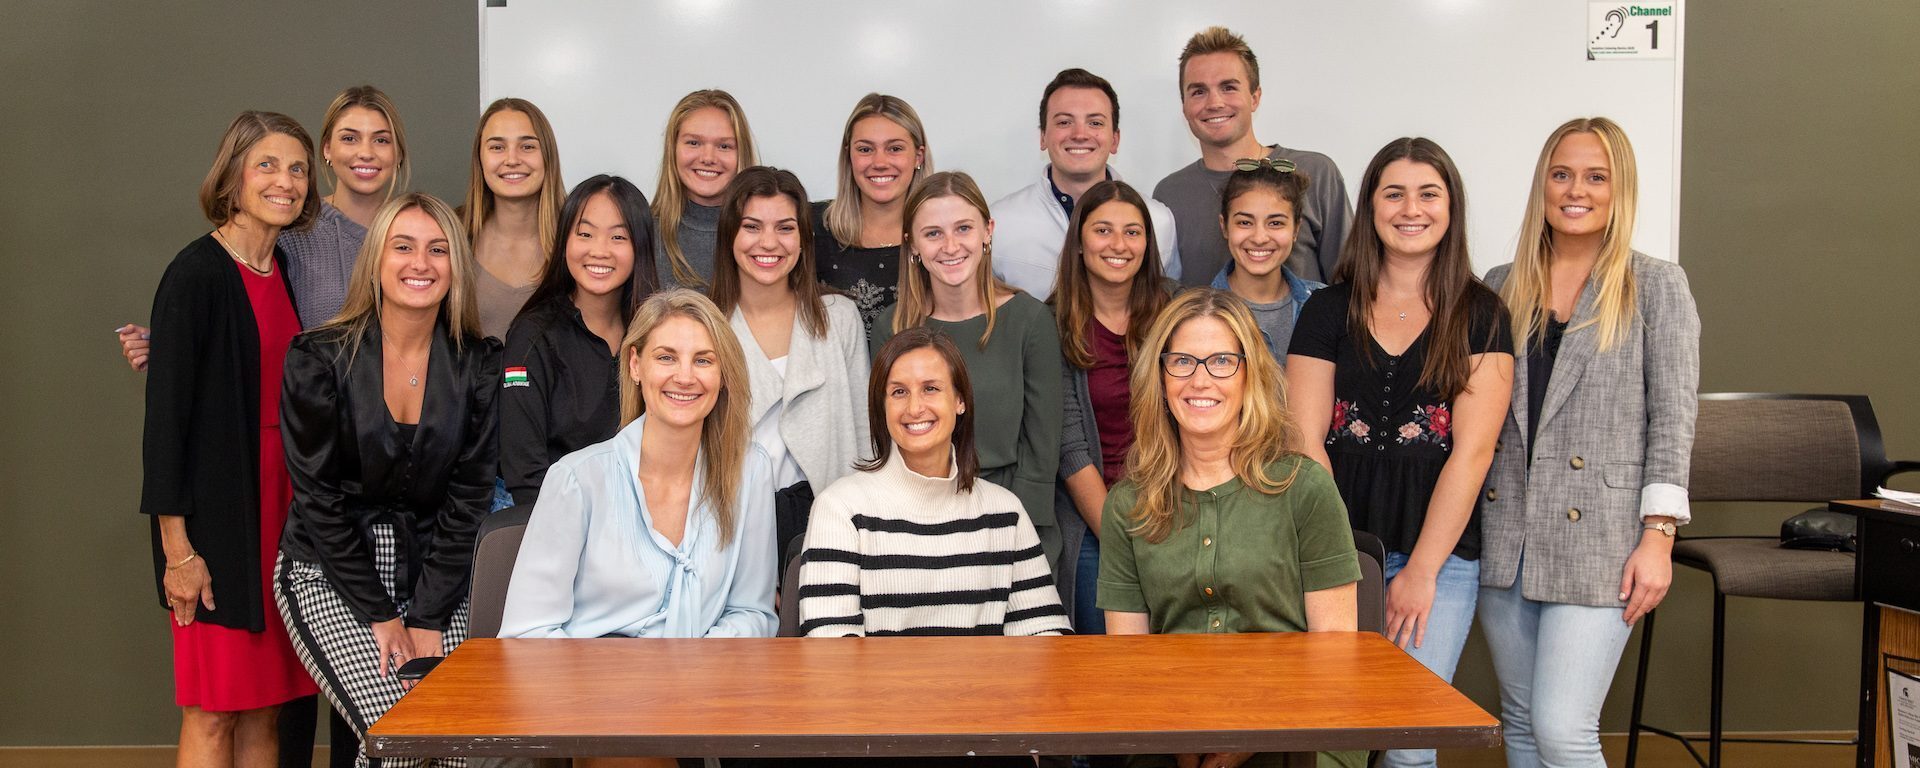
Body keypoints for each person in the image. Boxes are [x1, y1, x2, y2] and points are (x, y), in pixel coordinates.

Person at [1477, 118, 1699, 768]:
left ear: (1618, 189)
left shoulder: (1656, 286)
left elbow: (1674, 418)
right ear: (1543, 184)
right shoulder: (1499, 284)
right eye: (1562, 174)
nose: (1577, 190)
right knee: (1519, 724)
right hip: (1506, 536)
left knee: (1562, 728)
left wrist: (1659, 536)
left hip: (1602, 540)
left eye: (1596, 177)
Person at [1284, 138, 1513, 768]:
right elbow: (1306, 442)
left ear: (1450, 208)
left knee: (1407, 745)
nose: (1410, 208)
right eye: (1394, 193)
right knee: (1335, 731)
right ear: (1371, 207)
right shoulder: (1328, 309)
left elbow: (1474, 452)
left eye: (1428, 193)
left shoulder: (1483, 314)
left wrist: (1421, 573)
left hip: (1437, 556)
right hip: (1336, 547)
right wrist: (1342, 560)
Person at [276, 193, 501, 767]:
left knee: (460, 746)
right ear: (376, 259)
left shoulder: (479, 365)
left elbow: (469, 497)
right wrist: (383, 616)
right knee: (400, 739)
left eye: (437, 249)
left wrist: (426, 615)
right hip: (331, 569)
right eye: (403, 247)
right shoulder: (317, 358)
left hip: (436, 572)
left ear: (455, 267)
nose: (419, 264)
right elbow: (319, 501)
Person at [1099, 289, 1361, 768]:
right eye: (1182, 361)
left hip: (1297, 725)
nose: (1200, 379)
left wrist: (1250, 737)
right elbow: (1129, 665)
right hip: (1168, 731)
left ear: (1249, 375)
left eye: (1221, 360)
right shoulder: (1128, 505)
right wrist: (1178, 741)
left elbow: (1335, 655)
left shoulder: (1305, 488)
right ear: (1159, 376)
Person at [140, 109, 321, 768]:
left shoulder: (287, 273)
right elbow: (166, 427)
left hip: (281, 521)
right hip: (215, 524)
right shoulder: (195, 274)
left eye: (298, 168)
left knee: (265, 707)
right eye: (268, 164)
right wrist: (177, 550)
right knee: (214, 710)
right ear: (234, 176)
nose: (286, 180)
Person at [499, 289, 777, 641]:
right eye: (666, 358)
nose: (685, 377)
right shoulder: (576, 481)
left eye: (704, 360)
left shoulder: (750, 471)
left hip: (706, 686)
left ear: (723, 376)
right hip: (592, 688)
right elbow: (526, 635)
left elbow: (753, 612)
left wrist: (689, 674)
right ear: (635, 365)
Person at [799, 327, 1068, 638]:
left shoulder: (1005, 512)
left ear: (960, 400)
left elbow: (1046, 636)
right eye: (899, 392)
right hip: (877, 689)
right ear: (881, 407)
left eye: (931, 389)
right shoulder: (840, 509)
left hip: (988, 688)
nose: (915, 408)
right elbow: (829, 651)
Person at [118, 85, 412, 369]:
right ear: (326, 149)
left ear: (398, 153)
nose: (365, 152)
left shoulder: (422, 235)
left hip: (403, 414)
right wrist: (176, 341)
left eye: (381, 140)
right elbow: (247, 314)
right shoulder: (290, 230)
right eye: (349, 138)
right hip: (312, 414)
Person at [871, 172, 1066, 570]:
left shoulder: (1030, 321)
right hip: (916, 524)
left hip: (1016, 526)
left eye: (963, 228)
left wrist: (1007, 536)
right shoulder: (891, 329)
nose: (951, 246)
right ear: (911, 244)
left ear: (988, 232)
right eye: (933, 233)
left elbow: (1042, 454)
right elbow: (889, 442)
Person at [710, 167, 871, 568]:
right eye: (752, 226)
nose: (769, 242)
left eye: (785, 228)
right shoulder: (703, 325)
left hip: (831, 527)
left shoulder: (839, 319)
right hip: (732, 532)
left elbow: (866, 438)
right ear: (730, 233)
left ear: (803, 239)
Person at [1046, 179, 1174, 633]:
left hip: (1180, 509)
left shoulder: (1177, 310)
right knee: (1108, 676)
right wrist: (1128, 546)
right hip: (1096, 521)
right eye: (1103, 230)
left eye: (1133, 232)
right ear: (1079, 242)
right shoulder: (1051, 324)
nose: (1118, 244)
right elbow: (1070, 449)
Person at [499, 175, 660, 508]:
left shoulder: (655, 335)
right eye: (585, 234)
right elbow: (525, 476)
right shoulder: (533, 336)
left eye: (618, 237)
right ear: (564, 242)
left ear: (640, 246)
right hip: (553, 524)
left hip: (644, 522)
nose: (599, 251)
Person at [1153, 26, 1350, 286]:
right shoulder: (1170, 195)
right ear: (1184, 106)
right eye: (1198, 91)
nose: (1214, 103)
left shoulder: (1316, 173)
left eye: (1228, 87)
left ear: (1255, 97)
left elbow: (1350, 282)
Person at [992, 68, 1179, 296]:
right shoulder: (999, 223)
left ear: (1115, 139)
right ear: (1043, 137)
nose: (1080, 134)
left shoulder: (1159, 221)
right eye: (1064, 122)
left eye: (1095, 123)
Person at [813, 93, 930, 329]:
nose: (880, 162)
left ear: (918, 156)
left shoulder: (943, 234)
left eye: (895, 148)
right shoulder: (810, 227)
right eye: (865, 149)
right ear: (849, 155)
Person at [463, 97, 567, 340]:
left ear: (547, 156)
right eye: (497, 147)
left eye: (527, 146)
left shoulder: (578, 238)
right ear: (480, 158)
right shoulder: (451, 235)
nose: (512, 159)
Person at [1210, 158, 1324, 364]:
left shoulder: (1325, 306)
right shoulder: (1197, 312)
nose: (1259, 237)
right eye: (1245, 222)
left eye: (1275, 223)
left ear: (1296, 229)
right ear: (1224, 226)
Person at [654, 89, 758, 290]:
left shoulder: (768, 239)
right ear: (672, 149)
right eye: (693, 143)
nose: (708, 158)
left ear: (741, 153)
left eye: (724, 146)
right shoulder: (643, 233)